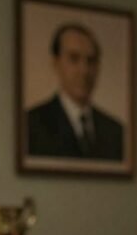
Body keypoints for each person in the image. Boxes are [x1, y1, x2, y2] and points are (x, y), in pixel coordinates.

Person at [26, 23, 124, 160]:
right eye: (74, 59)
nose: (84, 71)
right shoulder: (32, 124)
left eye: (91, 61)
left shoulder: (114, 131)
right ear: (56, 63)